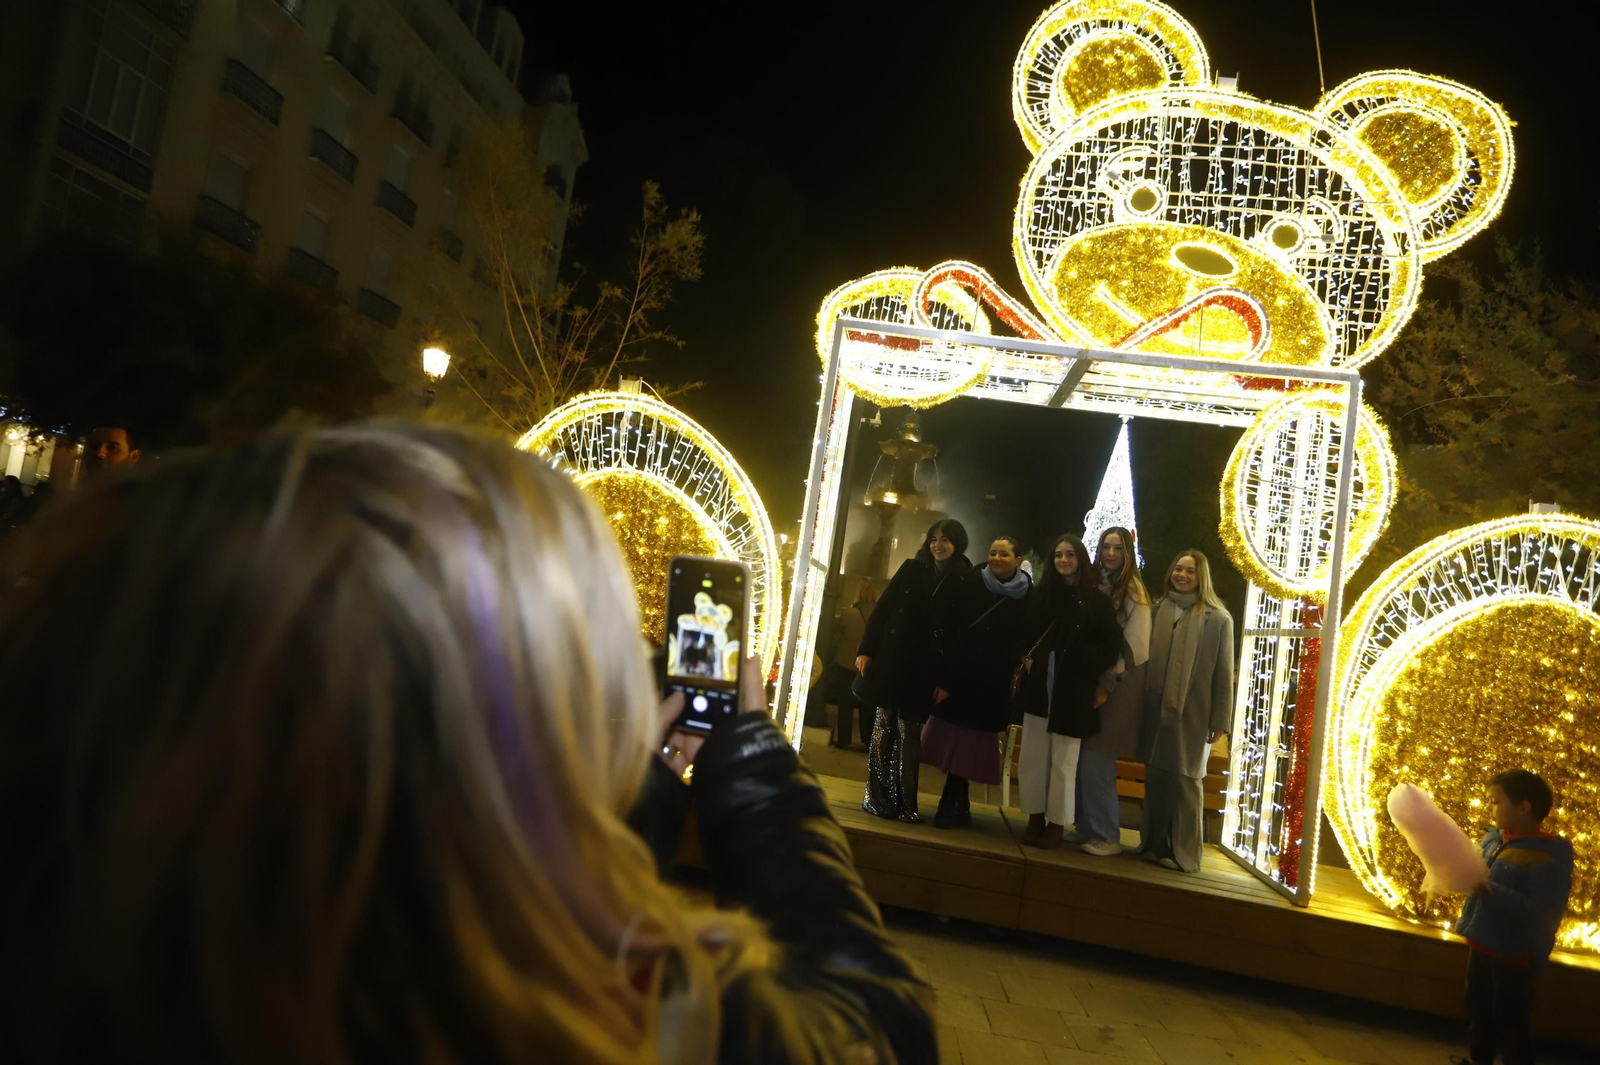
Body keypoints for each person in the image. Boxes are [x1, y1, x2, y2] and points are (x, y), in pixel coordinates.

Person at [0, 426, 935, 1065]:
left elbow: (481, 864)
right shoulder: (630, 1018)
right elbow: (875, 1023)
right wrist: (753, 757)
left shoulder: (108, 964)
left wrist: (637, 794)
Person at [1451, 769, 1574, 1065]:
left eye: (1495, 801)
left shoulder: (1547, 856)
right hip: (1482, 941)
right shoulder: (1494, 841)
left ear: (1523, 807)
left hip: (1513, 955)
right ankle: (1478, 1059)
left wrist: (1489, 890)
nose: (1490, 809)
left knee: (1510, 1019)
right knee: (1478, 1008)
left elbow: (1541, 912)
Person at [855, 518, 971, 823]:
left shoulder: (964, 581)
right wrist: (866, 649)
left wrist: (947, 681)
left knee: (909, 734)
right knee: (884, 725)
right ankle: (876, 797)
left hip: (925, 669)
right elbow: (883, 609)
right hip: (893, 660)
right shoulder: (912, 569)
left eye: (945, 539)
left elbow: (960, 637)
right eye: (934, 538)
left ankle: (905, 802)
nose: (938, 545)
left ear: (958, 543)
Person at [1014, 533, 1121, 849]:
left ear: (1081, 559)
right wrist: (1026, 659)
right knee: (1032, 758)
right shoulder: (1041, 594)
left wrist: (1084, 663)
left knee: (1064, 763)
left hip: (1072, 692)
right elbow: (1020, 633)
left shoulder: (1096, 600)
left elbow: (1109, 643)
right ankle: (1034, 817)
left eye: (1070, 555)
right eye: (1058, 555)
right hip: (1039, 690)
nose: (1063, 560)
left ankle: (1057, 823)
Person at [921, 535, 1032, 829]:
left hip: (993, 681)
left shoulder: (1027, 594)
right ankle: (951, 802)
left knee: (970, 743)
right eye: (993, 552)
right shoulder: (971, 582)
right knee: (956, 740)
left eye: (1004, 554)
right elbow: (953, 631)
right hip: (962, 674)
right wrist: (944, 678)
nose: (996, 558)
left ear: (1018, 560)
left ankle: (956, 802)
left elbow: (1024, 636)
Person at [1138, 549, 1235, 873]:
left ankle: (1184, 852)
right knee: (1155, 776)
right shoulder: (1157, 610)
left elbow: (1223, 674)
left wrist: (1220, 720)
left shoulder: (1217, 619)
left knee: (1186, 779)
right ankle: (1153, 843)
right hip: (1155, 707)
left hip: (1193, 713)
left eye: (1189, 571)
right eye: (1178, 568)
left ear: (1201, 577)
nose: (1181, 575)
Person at [1076, 527, 1152, 856]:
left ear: (1127, 553)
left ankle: (1107, 835)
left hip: (1118, 682)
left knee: (1097, 758)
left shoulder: (1132, 589)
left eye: (1117, 548)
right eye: (1105, 546)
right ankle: (1085, 828)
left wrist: (1106, 684)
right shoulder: (1097, 583)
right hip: (1093, 679)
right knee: (1083, 758)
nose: (1110, 553)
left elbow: (1136, 645)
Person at [827, 581, 877, 749]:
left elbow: (837, 634)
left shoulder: (848, 613)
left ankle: (844, 740)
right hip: (869, 667)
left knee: (845, 704)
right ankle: (867, 741)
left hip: (845, 662)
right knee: (866, 706)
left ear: (859, 596)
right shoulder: (879, 616)